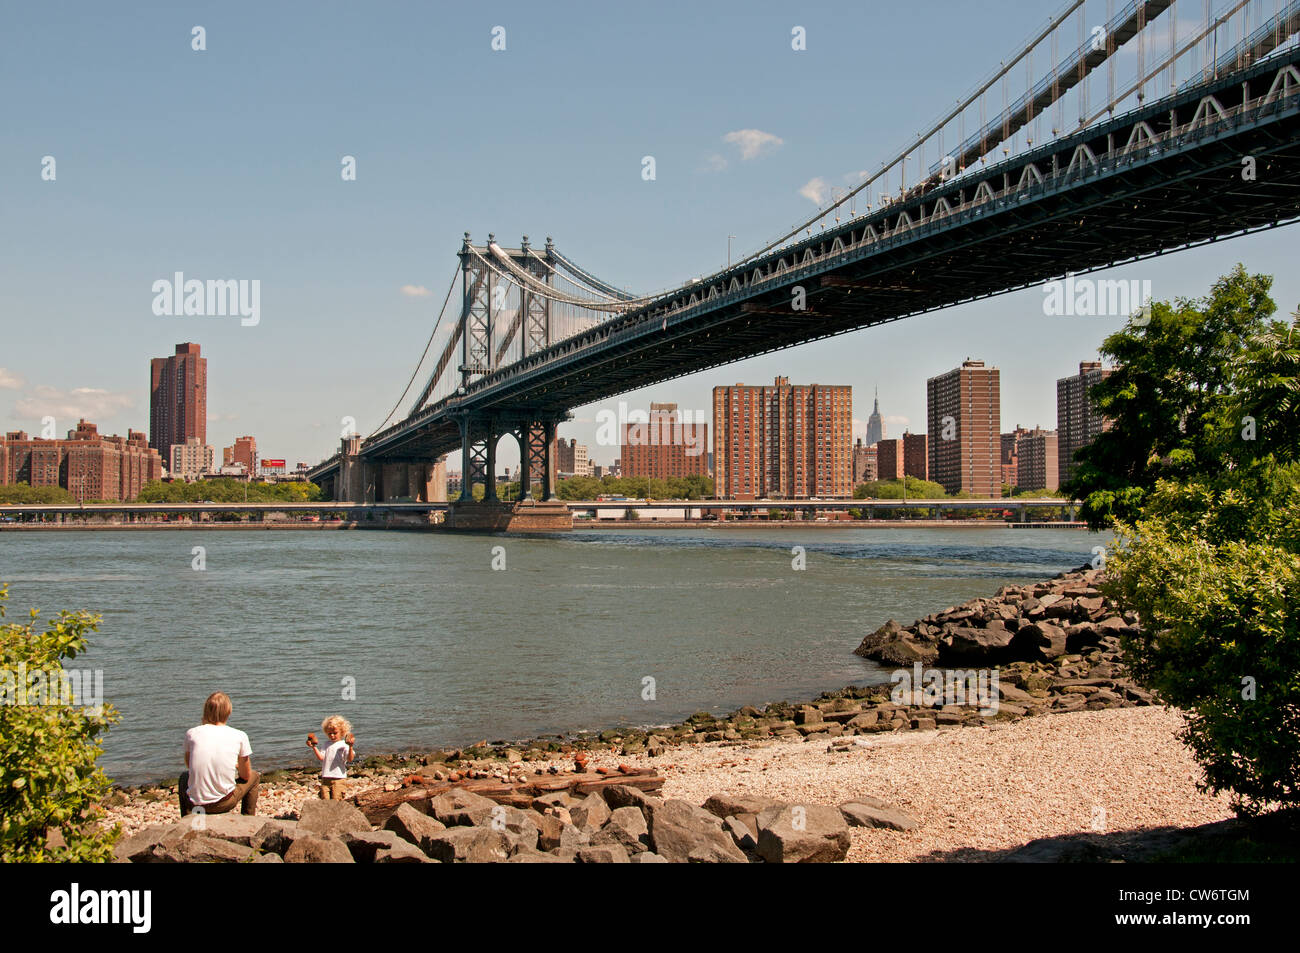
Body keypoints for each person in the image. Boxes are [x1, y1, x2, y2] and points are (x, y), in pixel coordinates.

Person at [178, 691, 259, 817]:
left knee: (184, 777)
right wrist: (236, 766)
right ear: (229, 712)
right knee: (254, 776)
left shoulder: (192, 733)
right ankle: (248, 818)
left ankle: (188, 818)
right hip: (223, 803)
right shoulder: (239, 735)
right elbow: (245, 775)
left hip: (195, 803)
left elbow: (190, 766)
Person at [307, 715, 356, 799]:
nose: (332, 735)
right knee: (325, 800)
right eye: (330, 733)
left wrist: (351, 747)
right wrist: (314, 747)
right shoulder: (326, 744)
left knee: (336, 799)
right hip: (326, 777)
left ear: (342, 732)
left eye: (335, 733)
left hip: (339, 778)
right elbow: (321, 758)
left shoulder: (344, 745)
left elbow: (350, 759)